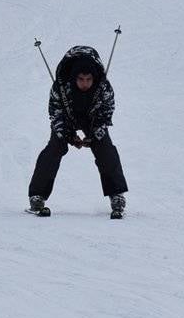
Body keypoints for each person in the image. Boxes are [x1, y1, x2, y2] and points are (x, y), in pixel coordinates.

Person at [29, 45, 129, 218]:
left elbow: (106, 113)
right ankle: (37, 195)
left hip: (93, 119)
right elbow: (56, 114)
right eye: (81, 79)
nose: (85, 83)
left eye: (88, 79)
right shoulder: (60, 87)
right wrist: (67, 135)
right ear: (74, 77)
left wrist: (94, 135)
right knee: (55, 147)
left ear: (94, 78)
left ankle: (116, 195)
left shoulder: (103, 87)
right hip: (68, 116)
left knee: (105, 147)